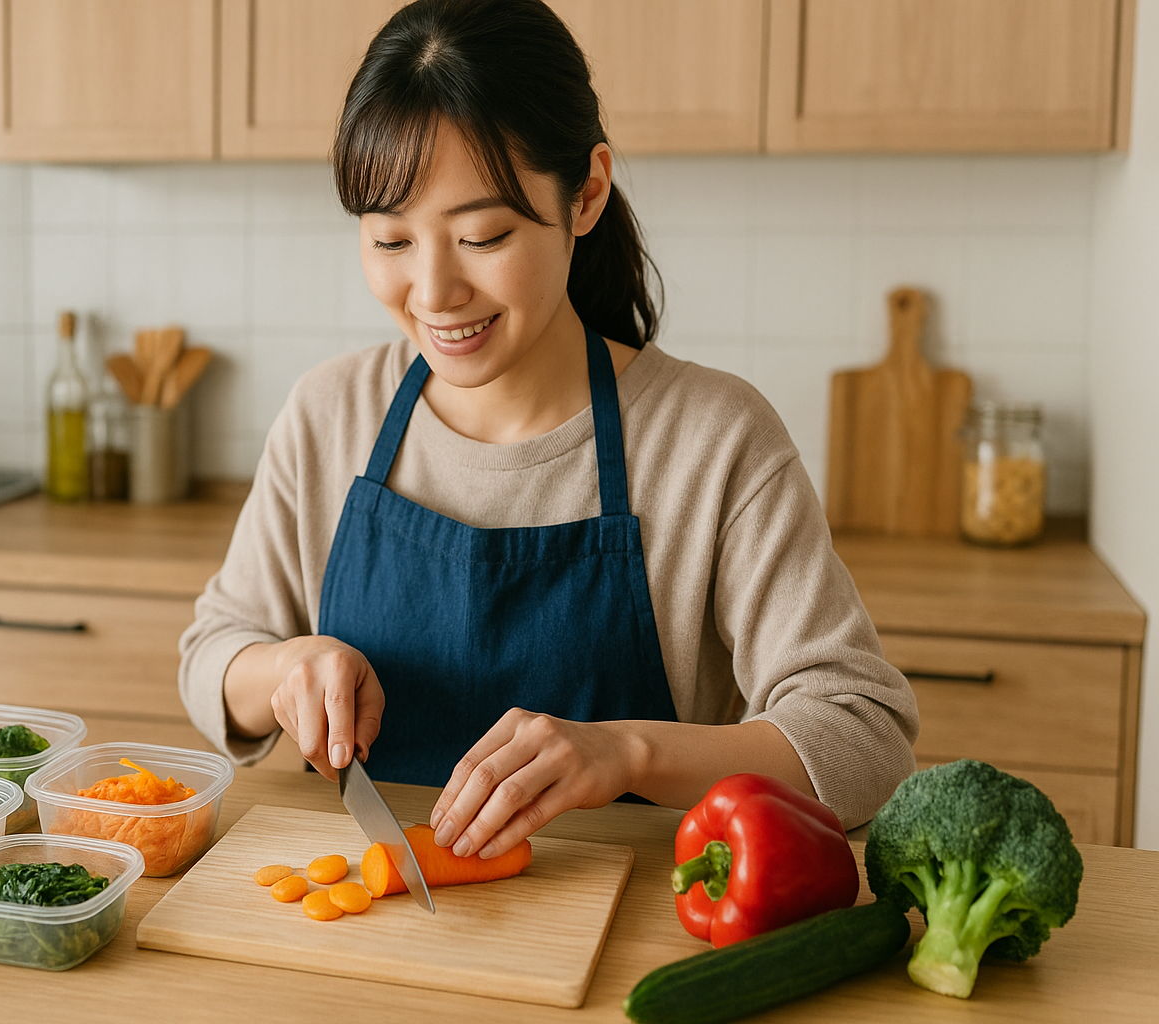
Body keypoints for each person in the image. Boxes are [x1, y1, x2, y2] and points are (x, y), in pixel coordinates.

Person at [179, 0, 918, 861]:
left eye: (482, 235)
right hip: (364, 909)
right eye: (390, 241)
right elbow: (212, 655)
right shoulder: (329, 413)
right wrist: (283, 671)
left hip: (629, 922)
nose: (434, 292)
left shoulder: (713, 439)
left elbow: (864, 735)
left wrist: (627, 752)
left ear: (587, 194)